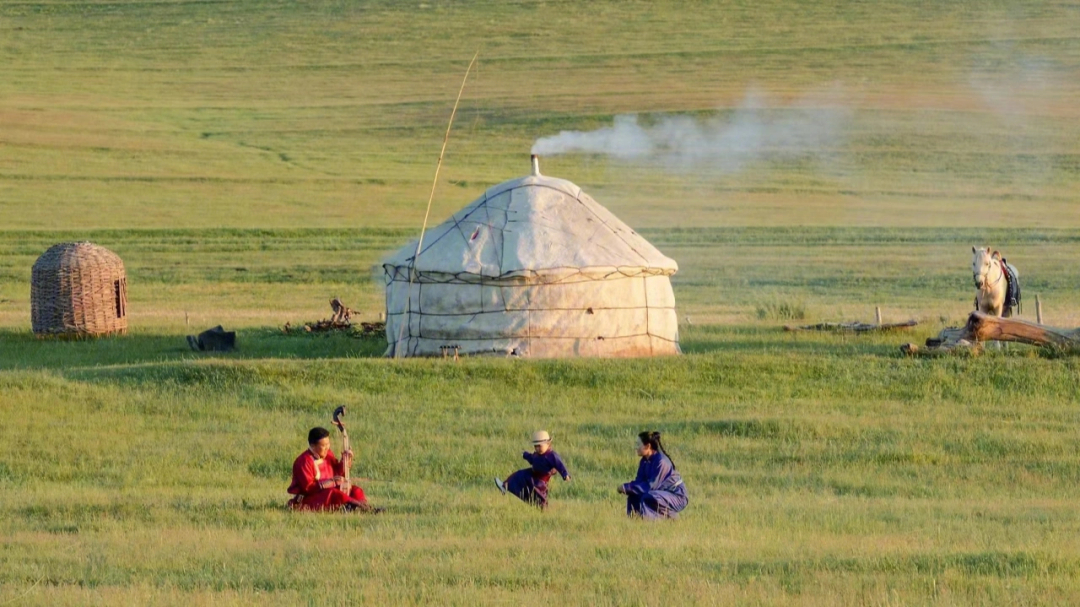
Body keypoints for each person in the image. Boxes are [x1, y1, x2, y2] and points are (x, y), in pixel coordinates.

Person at [287, 427, 379, 513]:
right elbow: (307, 489)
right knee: (333, 493)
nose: (327, 447)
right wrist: (328, 483)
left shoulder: (328, 454)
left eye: (328, 444)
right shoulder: (303, 461)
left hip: (330, 491)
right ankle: (362, 508)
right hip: (309, 498)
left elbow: (337, 473)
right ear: (313, 445)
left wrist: (345, 461)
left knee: (356, 490)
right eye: (323, 445)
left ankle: (361, 507)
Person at [619, 431, 687, 520]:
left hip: (677, 496)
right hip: (660, 493)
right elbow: (639, 481)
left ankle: (667, 518)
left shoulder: (661, 462)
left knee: (648, 497)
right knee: (633, 496)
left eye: (638, 444)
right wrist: (629, 489)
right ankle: (634, 521)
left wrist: (627, 487)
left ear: (648, 446)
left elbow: (650, 487)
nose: (636, 447)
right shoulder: (644, 461)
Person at [494, 430, 570, 510]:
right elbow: (532, 458)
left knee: (539, 495)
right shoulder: (537, 454)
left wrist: (565, 475)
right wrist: (525, 455)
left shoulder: (552, 456)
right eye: (535, 446)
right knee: (518, 475)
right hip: (531, 473)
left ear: (547, 444)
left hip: (541, 480)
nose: (537, 448)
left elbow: (560, 465)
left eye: (539, 446)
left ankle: (543, 511)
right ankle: (504, 486)